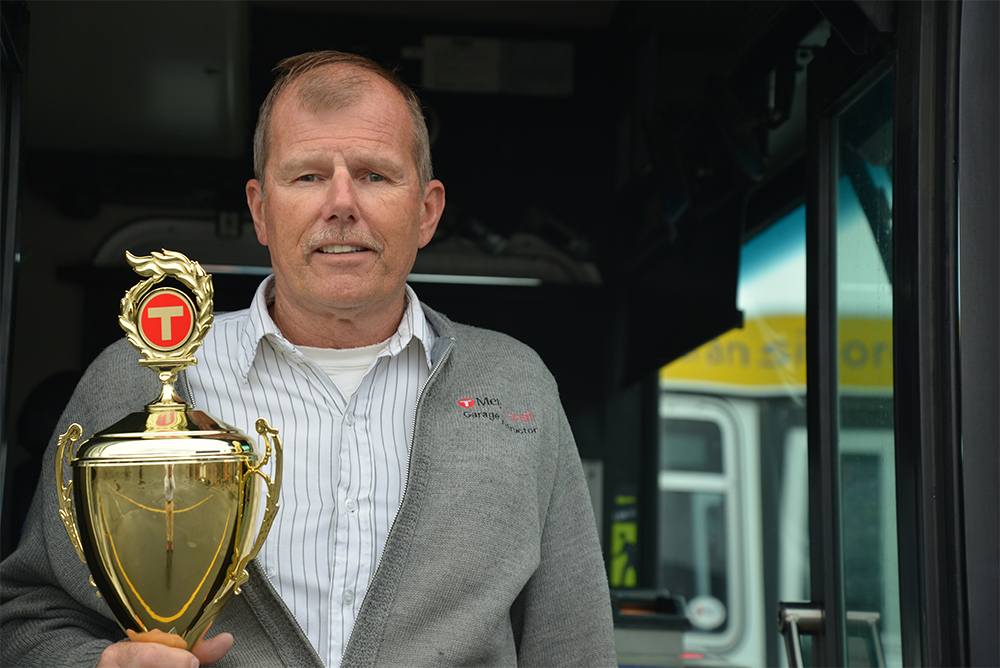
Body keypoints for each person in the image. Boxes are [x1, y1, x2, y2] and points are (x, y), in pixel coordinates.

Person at [0, 51, 616, 667]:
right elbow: (29, 617)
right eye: (307, 177)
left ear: (426, 211)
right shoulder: (141, 374)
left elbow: (574, 644)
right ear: (261, 209)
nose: (342, 203)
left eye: (375, 175)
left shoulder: (515, 386)